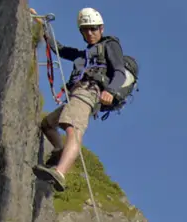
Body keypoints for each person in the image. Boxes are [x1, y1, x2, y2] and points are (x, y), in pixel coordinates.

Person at [31, 7, 129, 192]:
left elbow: (119, 71)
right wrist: (43, 26)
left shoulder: (109, 45)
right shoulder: (83, 55)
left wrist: (110, 91)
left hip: (89, 92)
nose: (90, 33)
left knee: (73, 129)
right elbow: (58, 49)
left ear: (101, 28)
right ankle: (61, 152)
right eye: (85, 29)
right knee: (48, 124)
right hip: (77, 93)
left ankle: (60, 172)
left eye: (93, 28)